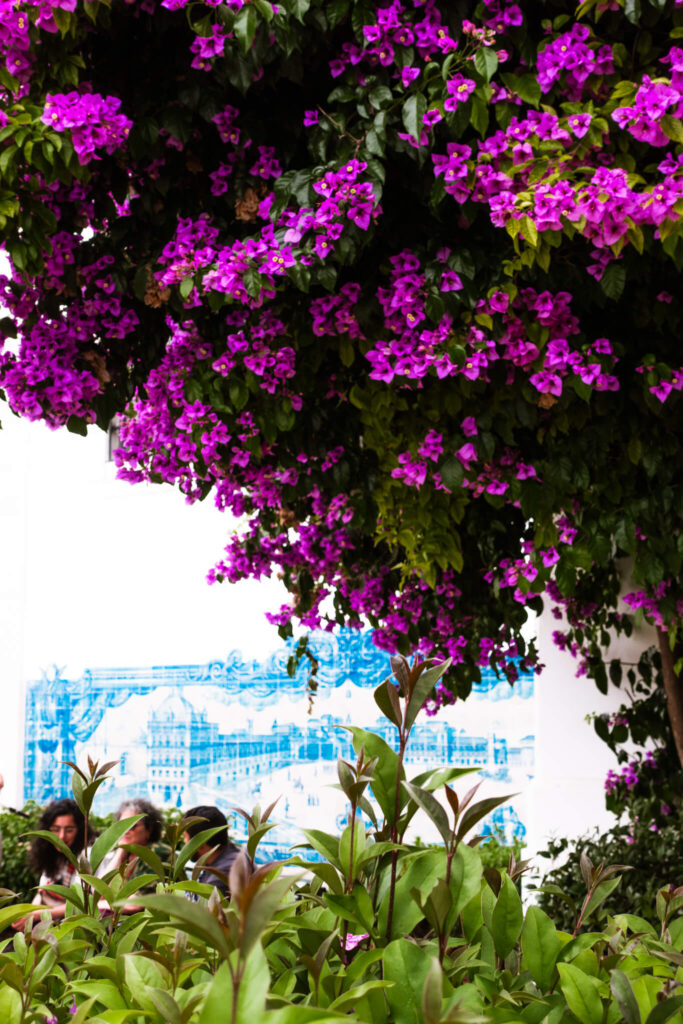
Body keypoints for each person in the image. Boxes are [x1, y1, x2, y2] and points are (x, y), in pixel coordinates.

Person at [13, 798, 86, 929]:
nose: (62, 836)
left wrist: (36, 915)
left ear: (80, 830)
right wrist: (29, 914)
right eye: (55, 830)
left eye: (69, 830)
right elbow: (41, 892)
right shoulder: (51, 854)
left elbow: (82, 904)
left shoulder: (86, 855)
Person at [96, 798, 168, 912]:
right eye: (121, 825)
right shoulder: (128, 855)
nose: (125, 830)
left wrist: (94, 906)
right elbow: (98, 892)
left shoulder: (155, 852)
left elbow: (135, 904)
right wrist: (121, 851)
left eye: (132, 826)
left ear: (149, 830)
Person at [183, 805, 242, 897]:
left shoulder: (217, 883)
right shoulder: (234, 856)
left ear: (199, 843)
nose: (184, 842)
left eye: (186, 837)